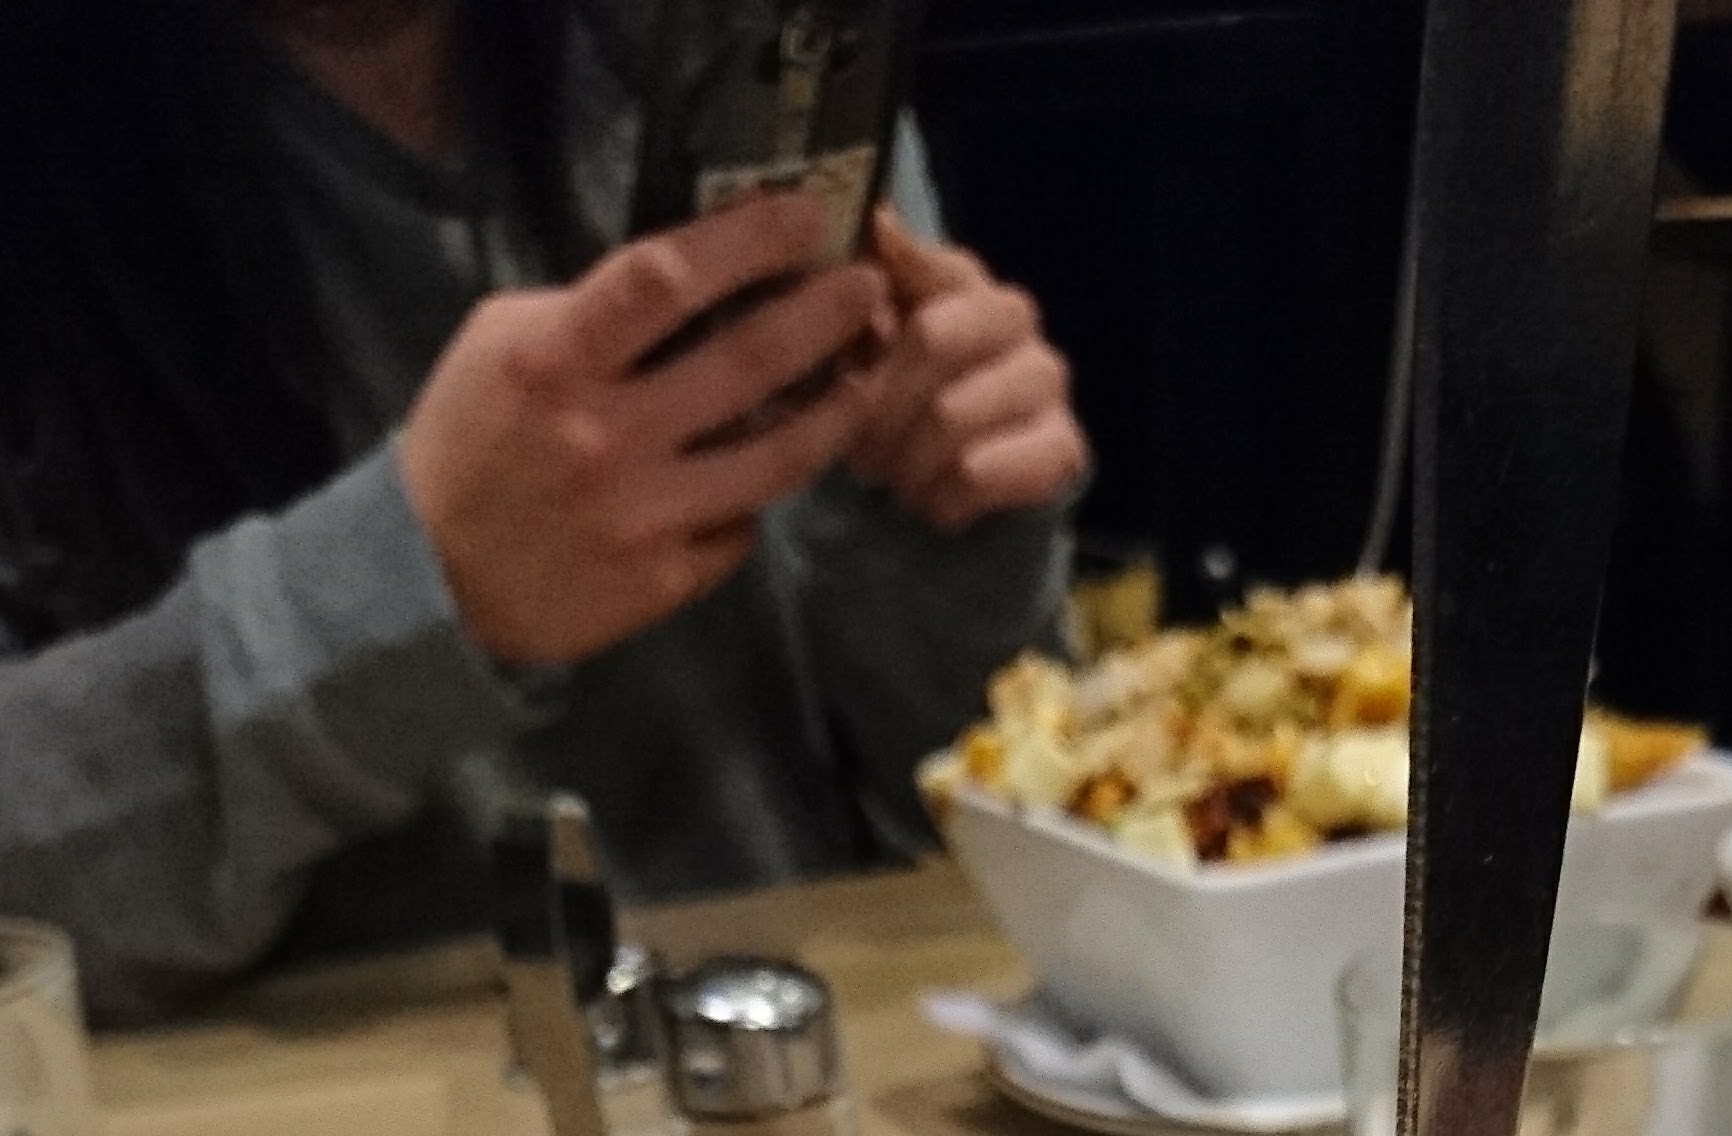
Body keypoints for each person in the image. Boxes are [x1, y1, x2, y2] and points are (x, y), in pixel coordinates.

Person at [0, 1, 1087, 1021]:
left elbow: (991, 841)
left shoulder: (740, 54)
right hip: (279, 1134)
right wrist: (409, 585)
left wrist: (952, 522)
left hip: (822, 1056)